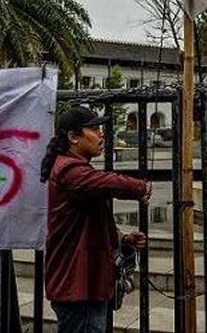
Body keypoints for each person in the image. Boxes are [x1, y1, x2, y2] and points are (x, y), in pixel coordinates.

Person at [41, 105, 152, 332]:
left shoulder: (71, 167)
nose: (101, 134)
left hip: (84, 284)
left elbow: (85, 223)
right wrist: (141, 188)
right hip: (79, 287)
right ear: (73, 137)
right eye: (93, 128)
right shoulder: (69, 170)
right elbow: (108, 182)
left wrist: (122, 239)